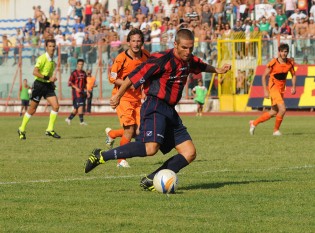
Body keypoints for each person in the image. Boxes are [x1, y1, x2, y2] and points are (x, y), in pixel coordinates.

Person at [84, 29, 231, 191]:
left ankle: (151, 179)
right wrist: (118, 95)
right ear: (175, 44)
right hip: (155, 105)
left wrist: (218, 70)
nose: (188, 52)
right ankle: (101, 156)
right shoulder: (161, 59)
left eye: (191, 48)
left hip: (170, 111)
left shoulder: (189, 59)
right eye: (184, 47)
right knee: (151, 148)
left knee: (189, 152)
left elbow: (200, 65)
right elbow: (133, 77)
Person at [105, 28, 150, 168]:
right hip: (122, 97)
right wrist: (128, 84)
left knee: (138, 132)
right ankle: (121, 160)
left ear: (142, 42)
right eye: (133, 41)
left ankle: (112, 134)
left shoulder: (146, 56)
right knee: (130, 129)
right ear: (128, 42)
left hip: (137, 99)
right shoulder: (121, 58)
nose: (136, 44)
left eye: (138, 41)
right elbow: (112, 78)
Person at [18, 39, 61, 140]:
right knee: (32, 109)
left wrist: (52, 82)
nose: (52, 48)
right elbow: (35, 72)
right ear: (46, 47)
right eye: (50, 46)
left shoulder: (52, 60)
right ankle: (21, 128)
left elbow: (48, 75)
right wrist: (48, 78)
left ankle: (49, 129)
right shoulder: (42, 58)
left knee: (56, 106)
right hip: (39, 86)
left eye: (53, 46)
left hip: (47, 86)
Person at [249, 43, 296, 136]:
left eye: (285, 51)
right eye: (282, 51)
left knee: (274, 111)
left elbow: (293, 74)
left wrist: (293, 87)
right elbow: (263, 76)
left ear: (288, 52)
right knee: (282, 109)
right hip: (273, 87)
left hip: (282, 88)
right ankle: (275, 131)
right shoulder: (273, 63)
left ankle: (254, 123)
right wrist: (265, 90)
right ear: (279, 52)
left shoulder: (290, 63)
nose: (284, 53)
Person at [65, 59, 90, 126]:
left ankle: (69, 119)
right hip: (76, 93)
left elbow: (85, 84)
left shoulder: (84, 73)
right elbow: (70, 82)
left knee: (77, 108)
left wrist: (87, 91)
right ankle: (81, 122)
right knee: (80, 106)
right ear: (77, 65)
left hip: (82, 93)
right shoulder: (74, 73)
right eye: (79, 64)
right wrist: (76, 88)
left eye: (82, 64)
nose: (81, 66)